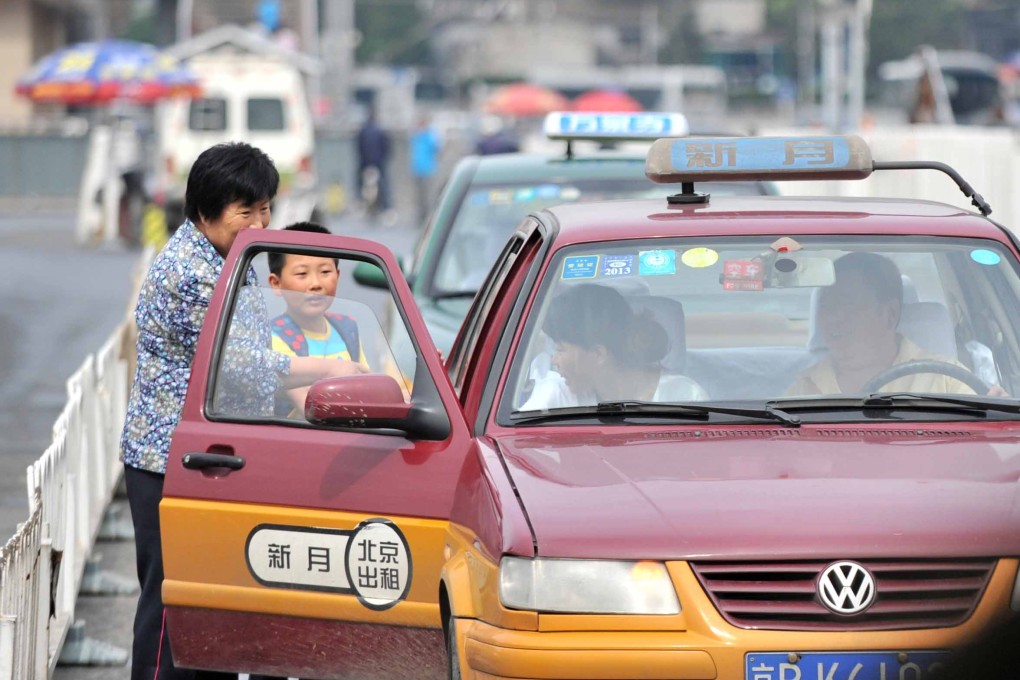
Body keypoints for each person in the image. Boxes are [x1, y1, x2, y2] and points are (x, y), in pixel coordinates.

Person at [120, 142, 364, 680]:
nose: (259, 223)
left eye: (265, 209)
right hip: (171, 462)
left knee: (212, 608)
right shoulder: (190, 272)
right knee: (171, 610)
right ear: (206, 210)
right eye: (244, 211)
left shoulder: (228, 257)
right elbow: (242, 367)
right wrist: (329, 369)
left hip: (210, 457)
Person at [787, 252, 975, 396]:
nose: (831, 317)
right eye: (825, 305)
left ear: (889, 314)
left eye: (846, 303)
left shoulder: (947, 379)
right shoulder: (804, 388)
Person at [521, 283, 708, 410]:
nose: (554, 361)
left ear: (598, 354)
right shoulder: (557, 395)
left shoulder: (684, 397)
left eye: (560, 349)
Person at [268, 222, 367, 417]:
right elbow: (307, 403)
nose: (315, 284)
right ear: (276, 283)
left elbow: (368, 383)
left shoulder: (347, 328)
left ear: (338, 275)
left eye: (325, 272)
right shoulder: (274, 337)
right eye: (302, 274)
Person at [356, 107, 392, 216]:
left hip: (366, 163)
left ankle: (361, 204)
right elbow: (386, 147)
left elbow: (359, 148)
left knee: (362, 184)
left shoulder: (363, 131)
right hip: (379, 163)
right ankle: (386, 207)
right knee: (384, 185)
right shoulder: (380, 131)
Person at [409, 114, 442, 225]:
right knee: (419, 195)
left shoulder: (430, 136)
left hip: (428, 168)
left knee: (428, 194)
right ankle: (420, 216)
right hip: (417, 168)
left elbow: (437, 148)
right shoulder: (416, 136)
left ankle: (429, 215)